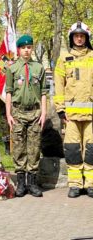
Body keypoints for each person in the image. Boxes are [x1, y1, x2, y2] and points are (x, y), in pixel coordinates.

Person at [54, 21, 93, 198]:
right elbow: (59, 86)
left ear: (86, 38)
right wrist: (61, 110)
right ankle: (75, 184)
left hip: (91, 116)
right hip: (71, 116)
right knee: (72, 149)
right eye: (76, 36)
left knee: (91, 149)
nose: (79, 38)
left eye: (82, 36)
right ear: (72, 38)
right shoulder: (63, 59)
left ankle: (90, 184)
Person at [5, 35, 47, 197]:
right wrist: (8, 114)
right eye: (23, 48)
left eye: (29, 47)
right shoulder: (13, 69)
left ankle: (33, 183)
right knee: (19, 147)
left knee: (34, 148)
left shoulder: (39, 68)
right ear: (19, 50)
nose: (26, 50)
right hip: (17, 113)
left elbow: (43, 92)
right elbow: (8, 92)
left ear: (32, 49)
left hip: (35, 113)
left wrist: (43, 112)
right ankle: (21, 183)